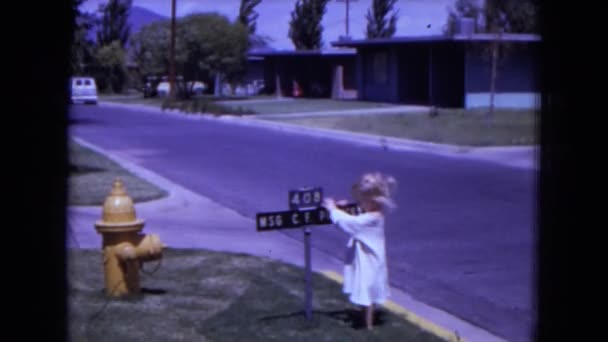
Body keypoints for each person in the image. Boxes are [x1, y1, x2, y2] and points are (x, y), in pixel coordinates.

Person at [322, 172, 397, 330]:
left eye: (363, 201)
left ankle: (368, 325)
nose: (360, 204)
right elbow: (356, 213)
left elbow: (351, 223)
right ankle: (364, 316)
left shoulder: (372, 218)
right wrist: (344, 207)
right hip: (366, 256)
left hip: (371, 259)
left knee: (367, 287)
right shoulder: (372, 212)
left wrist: (333, 209)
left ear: (373, 201)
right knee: (365, 284)